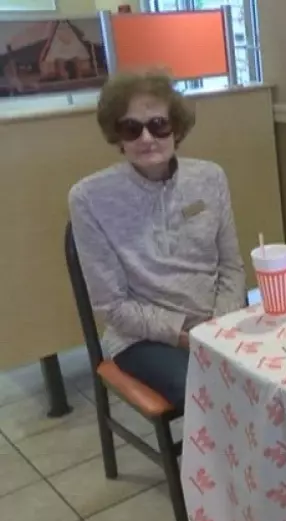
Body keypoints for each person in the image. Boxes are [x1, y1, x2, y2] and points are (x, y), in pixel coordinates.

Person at [68, 71, 246, 409]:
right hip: (144, 339)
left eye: (158, 124)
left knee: (278, 375)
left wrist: (218, 326)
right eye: (131, 128)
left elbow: (231, 266)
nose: (147, 137)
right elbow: (111, 306)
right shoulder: (89, 198)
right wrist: (183, 336)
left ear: (176, 128)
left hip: (216, 321)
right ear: (117, 136)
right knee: (211, 392)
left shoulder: (210, 177)